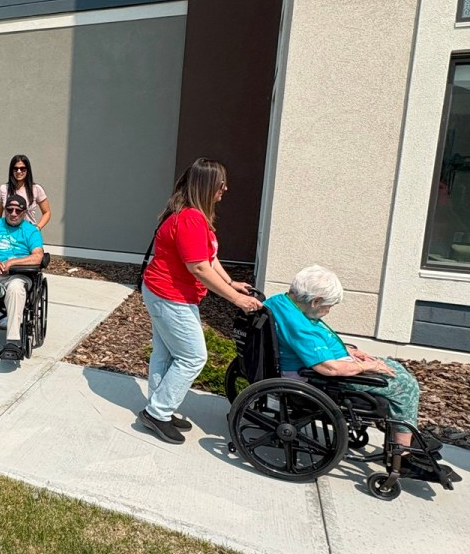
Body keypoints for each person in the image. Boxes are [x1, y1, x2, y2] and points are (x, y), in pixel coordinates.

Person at [139, 158, 261, 444]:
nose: (226, 188)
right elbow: (199, 268)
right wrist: (236, 300)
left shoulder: (194, 216)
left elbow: (209, 258)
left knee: (166, 354)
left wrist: (232, 283)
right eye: (221, 184)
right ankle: (158, 412)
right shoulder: (190, 219)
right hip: (169, 295)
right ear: (207, 186)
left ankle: (158, 409)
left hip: (166, 293)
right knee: (193, 356)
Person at [263, 265, 420, 450]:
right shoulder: (300, 327)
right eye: (328, 306)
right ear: (315, 301)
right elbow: (329, 368)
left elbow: (304, 345)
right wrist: (367, 367)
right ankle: (403, 452)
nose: (328, 310)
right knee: (405, 386)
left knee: (394, 367)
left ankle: (404, 434)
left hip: (308, 365)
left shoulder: (280, 302)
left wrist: (347, 350)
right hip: (316, 378)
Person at [0, 194, 45, 361]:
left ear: (24, 212)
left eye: (18, 210)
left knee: (15, 288)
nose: (13, 213)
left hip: (19, 275)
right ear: (4, 209)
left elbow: (38, 257)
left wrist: (12, 262)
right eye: (9, 209)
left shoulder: (31, 230)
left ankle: (12, 341)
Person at [0, 154, 52, 230]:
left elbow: (47, 212)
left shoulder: (36, 189)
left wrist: (38, 228)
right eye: (15, 168)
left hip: (28, 233)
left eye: (22, 168)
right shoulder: (4, 188)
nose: (19, 171)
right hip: (8, 233)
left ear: (28, 170)